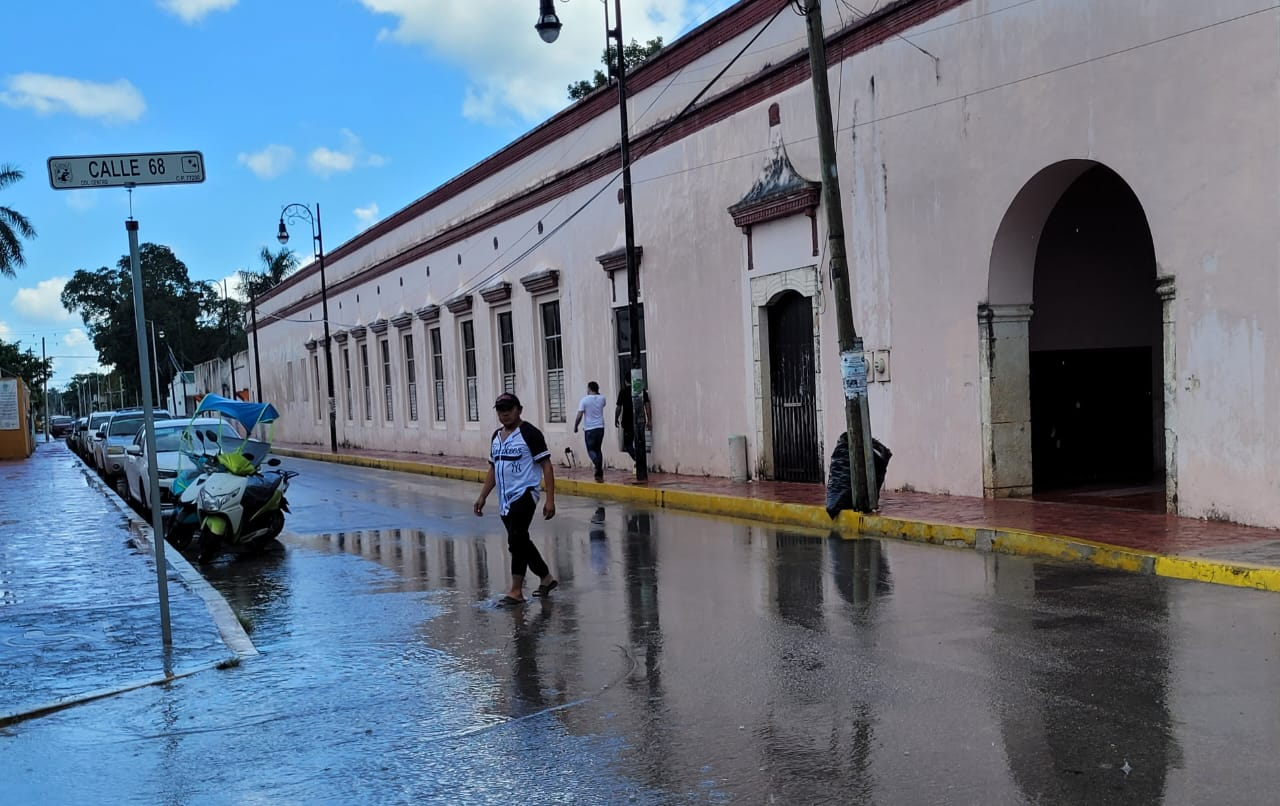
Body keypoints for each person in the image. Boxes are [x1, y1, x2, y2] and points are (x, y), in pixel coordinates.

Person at [474, 393, 558, 606]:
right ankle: (546, 578)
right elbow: (494, 468)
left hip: (525, 493)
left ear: (519, 410)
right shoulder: (496, 436)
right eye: (501, 410)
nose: (505, 414)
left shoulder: (530, 434)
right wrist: (483, 496)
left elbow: (546, 465)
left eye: (509, 409)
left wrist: (550, 499)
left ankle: (516, 591)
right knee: (520, 541)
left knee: (516, 538)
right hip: (505, 499)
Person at [573, 380, 608, 481]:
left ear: (589, 388)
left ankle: (597, 463)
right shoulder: (602, 399)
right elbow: (602, 403)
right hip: (600, 427)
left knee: (590, 450)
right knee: (598, 449)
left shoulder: (584, 400)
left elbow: (579, 415)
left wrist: (575, 426)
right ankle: (599, 469)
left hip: (589, 429)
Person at [614, 385, 652, 463]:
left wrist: (616, 418)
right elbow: (647, 405)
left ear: (625, 381)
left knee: (628, 444)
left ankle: (638, 461)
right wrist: (649, 420)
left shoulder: (623, 392)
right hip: (640, 420)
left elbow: (618, 407)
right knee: (640, 443)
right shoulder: (641, 391)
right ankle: (640, 461)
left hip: (628, 421)